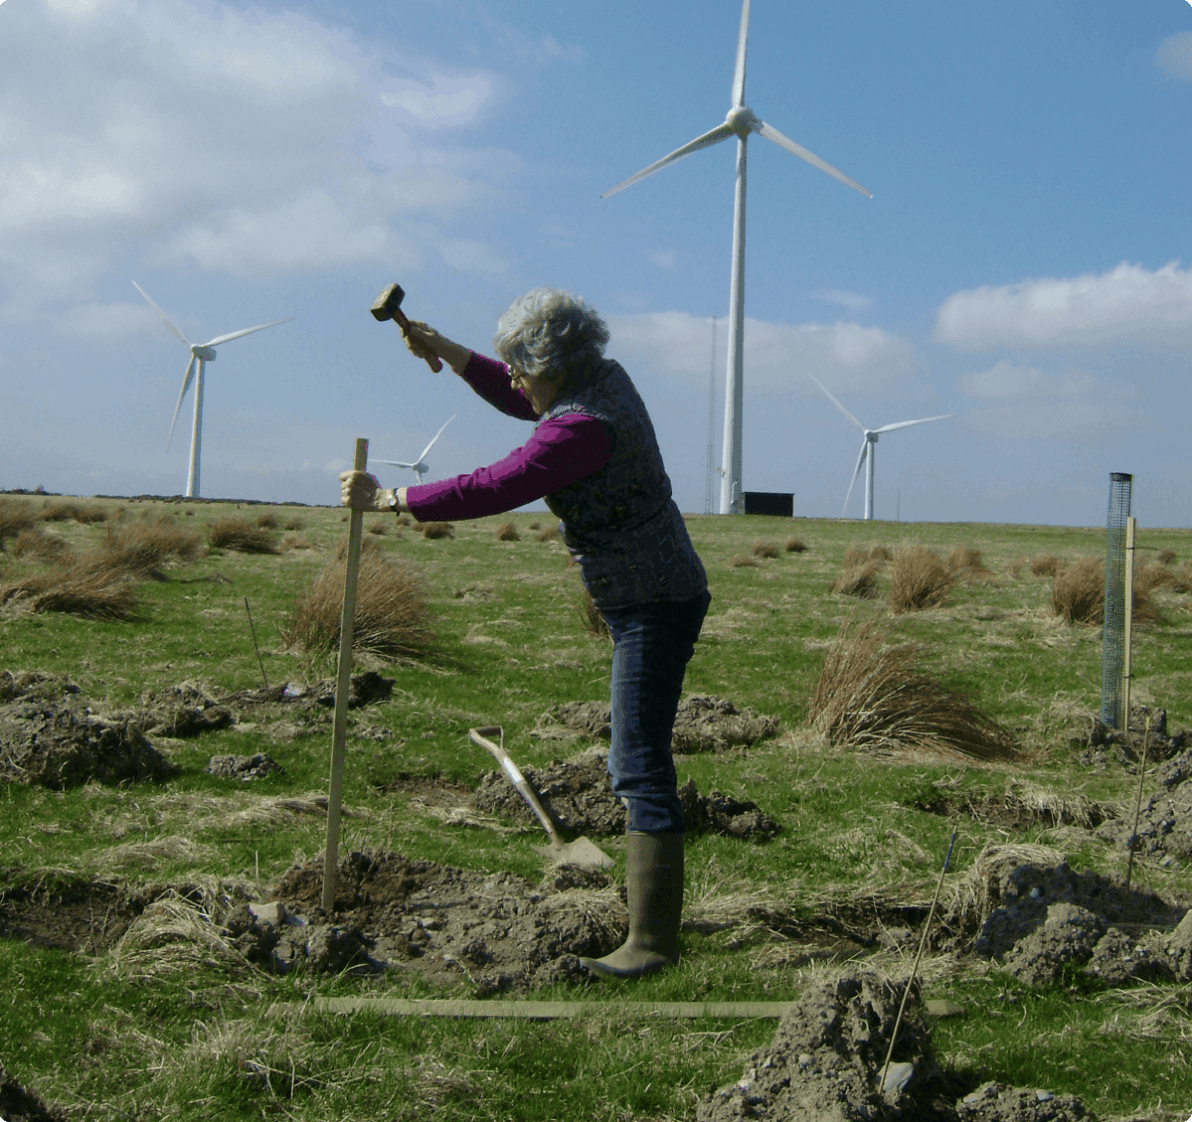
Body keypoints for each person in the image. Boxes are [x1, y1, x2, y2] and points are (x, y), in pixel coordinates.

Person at [340, 287, 710, 979]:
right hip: (653, 589)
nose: (513, 378)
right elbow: (523, 400)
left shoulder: (582, 427)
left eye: (521, 365)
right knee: (635, 755)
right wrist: (447, 349)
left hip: (653, 600)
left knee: (637, 764)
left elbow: (498, 484)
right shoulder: (599, 378)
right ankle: (652, 934)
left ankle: (652, 947)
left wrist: (393, 497)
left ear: (553, 365)